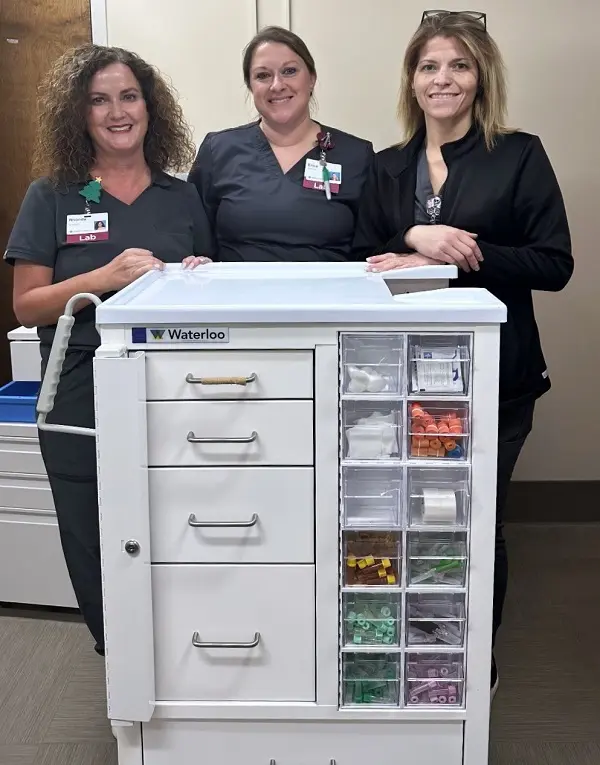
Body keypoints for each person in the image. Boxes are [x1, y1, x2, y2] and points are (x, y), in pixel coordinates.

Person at [352, 10, 573, 697]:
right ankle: (415, 642)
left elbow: (553, 262)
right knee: (404, 516)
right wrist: (418, 232)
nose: (442, 79)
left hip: (497, 378)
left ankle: (475, 652)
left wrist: (460, 249)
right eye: (428, 66)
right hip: (394, 379)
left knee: (477, 519)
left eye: (458, 65)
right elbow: (357, 253)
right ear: (411, 82)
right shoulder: (388, 168)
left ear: (481, 78)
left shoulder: (519, 154)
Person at [4, 44, 212, 657]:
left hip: (173, 390)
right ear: (79, 114)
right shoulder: (53, 196)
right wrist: (101, 279)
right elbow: (27, 305)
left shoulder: (182, 198)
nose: (117, 112)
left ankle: (186, 650)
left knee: (175, 521)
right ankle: (119, 657)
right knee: (94, 531)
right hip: (79, 391)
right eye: (99, 100)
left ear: (150, 107)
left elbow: (209, 301)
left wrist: (196, 274)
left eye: (129, 96)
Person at [188, 26, 374, 261]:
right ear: (250, 86)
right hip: (240, 294)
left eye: (289, 71)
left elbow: (373, 249)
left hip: (328, 294)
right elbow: (195, 237)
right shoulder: (218, 150)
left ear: (312, 79)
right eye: (263, 75)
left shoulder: (356, 155)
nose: (277, 85)